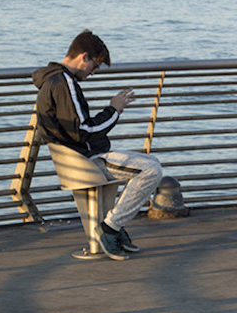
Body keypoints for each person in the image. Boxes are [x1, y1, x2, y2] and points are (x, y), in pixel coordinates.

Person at [33, 30, 164, 260]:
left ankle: (113, 225)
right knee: (152, 170)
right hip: (86, 160)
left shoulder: (52, 81)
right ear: (84, 56)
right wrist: (114, 110)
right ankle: (110, 227)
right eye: (94, 66)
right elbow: (82, 131)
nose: (93, 73)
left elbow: (77, 129)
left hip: (76, 158)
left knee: (151, 162)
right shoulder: (65, 83)